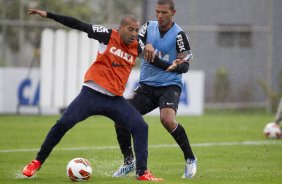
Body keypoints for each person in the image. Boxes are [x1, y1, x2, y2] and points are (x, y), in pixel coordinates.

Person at [22, 8, 173, 181]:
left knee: (141, 126)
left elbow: (154, 59)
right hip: (91, 95)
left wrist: (171, 65)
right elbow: (78, 24)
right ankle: (36, 163)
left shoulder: (137, 44)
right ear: (120, 28)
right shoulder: (108, 35)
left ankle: (142, 173)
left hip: (115, 100)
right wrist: (48, 15)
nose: (134, 34)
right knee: (63, 123)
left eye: (137, 30)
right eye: (130, 29)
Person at [112, 0, 197, 179]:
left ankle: (190, 158)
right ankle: (128, 162)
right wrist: (146, 46)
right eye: (157, 12)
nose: (159, 16)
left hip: (169, 86)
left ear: (173, 13)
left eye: (164, 13)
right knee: (120, 118)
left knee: (167, 119)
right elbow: (138, 44)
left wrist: (176, 66)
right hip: (146, 86)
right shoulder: (147, 27)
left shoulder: (179, 35)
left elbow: (185, 66)